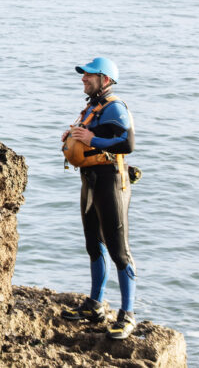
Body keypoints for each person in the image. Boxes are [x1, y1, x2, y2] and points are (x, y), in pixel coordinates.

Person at [59, 57, 138, 340]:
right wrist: (71, 136)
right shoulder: (92, 107)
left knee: (119, 250)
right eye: (83, 75)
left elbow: (127, 144)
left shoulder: (115, 106)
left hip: (111, 182)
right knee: (94, 244)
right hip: (91, 180)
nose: (83, 78)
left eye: (89, 75)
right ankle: (95, 305)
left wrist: (92, 141)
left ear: (105, 79)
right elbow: (89, 134)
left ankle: (127, 315)